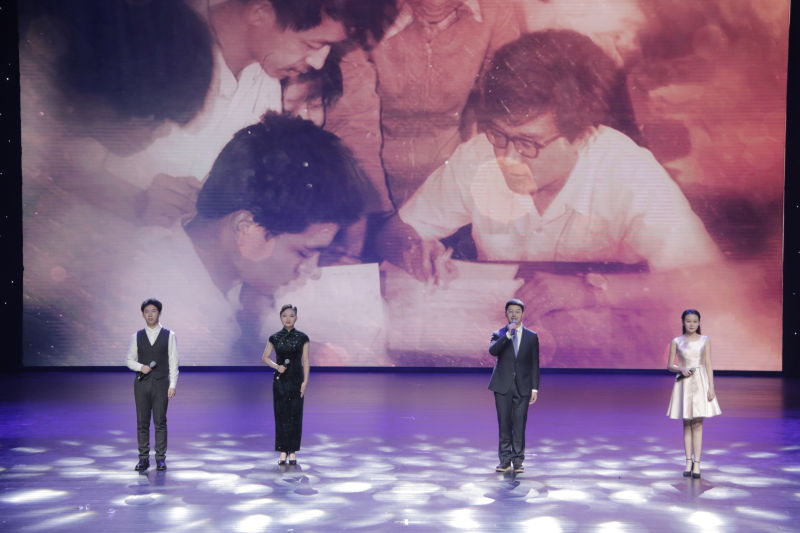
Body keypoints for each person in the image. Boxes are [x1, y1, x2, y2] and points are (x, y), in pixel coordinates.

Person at [370, 0, 522, 207]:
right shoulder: (366, 9)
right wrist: (375, 206)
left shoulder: (495, 9)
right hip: (371, 176)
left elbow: (507, 102)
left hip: (448, 177)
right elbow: (351, 122)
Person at [125, 298, 179, 472]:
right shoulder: (137, 336)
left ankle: (160, 459)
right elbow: (129, 360)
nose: (150, 314)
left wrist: (173, 384)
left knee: (160, 421)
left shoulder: (169, 335)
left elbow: (173, 361)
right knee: (142, 422)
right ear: (142, 314)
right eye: (147, 311)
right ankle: (143, 458)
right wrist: (141, 367)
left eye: (153, 311)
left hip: (161, 384)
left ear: (159, 313)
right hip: (141, 384)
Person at [666, 309, 721, 479]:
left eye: (695, 321)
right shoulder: (677, 341)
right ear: (683, 322)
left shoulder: (705, 340)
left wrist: (711, 386)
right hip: (684, 382)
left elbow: (708, 363)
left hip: (700, 381)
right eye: (688, 321)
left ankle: (697, 463)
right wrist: (680, 368)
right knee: (686, 423)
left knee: (698, 423)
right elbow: (669, 365)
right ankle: (688, 461)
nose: (692, 324)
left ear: (699, 322)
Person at [488, 299, 539, 474]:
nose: (514, 314)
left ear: (522, 314)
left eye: (517, 311)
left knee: (519, 424)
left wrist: (534, 388)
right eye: (510, 311)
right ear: (506, 314)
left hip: (523, 386)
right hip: (502, 386)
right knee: (504, 424)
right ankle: (504, 461)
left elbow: (534, 363)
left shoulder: (531, 336)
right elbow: (493, 351)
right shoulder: (499, 334)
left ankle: (518, 461)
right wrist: (507, 336)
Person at [261, 304, 310, 465]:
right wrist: (277, 367)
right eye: (284, 316)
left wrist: (305, 382)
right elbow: (265, 357)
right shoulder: (275, 337)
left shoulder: (303, 338)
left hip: (296, 379)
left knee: (295, 414)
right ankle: (283, 450)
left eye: (291, 315)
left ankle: (293, 451)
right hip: (280, 380)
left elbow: (305, 361)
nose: (288, 319)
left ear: (296, 318)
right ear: (280, 318)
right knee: (281, 414)